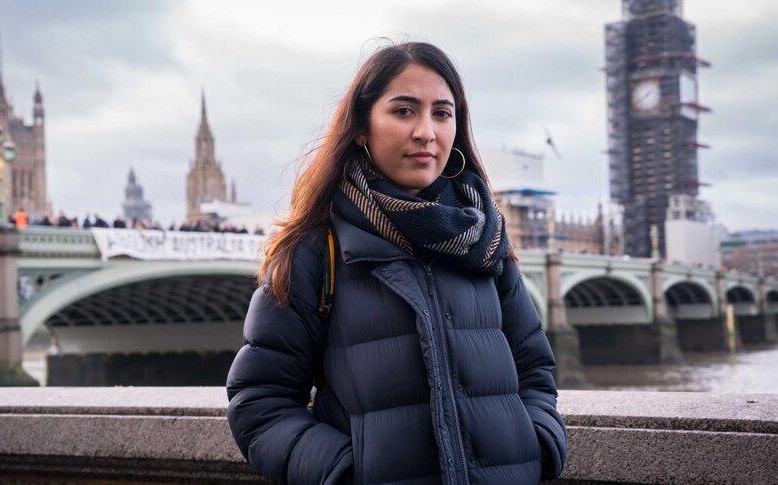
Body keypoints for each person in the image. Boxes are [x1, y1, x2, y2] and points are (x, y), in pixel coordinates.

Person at [226, 41, 566, 484]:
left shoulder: (486, 244)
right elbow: (260, 403)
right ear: (362, 128)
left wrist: (538, 445)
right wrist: (344, 473)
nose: (426, 131)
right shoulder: (314, 253)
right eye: (404, 111)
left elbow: (535, 373)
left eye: (442, 113)